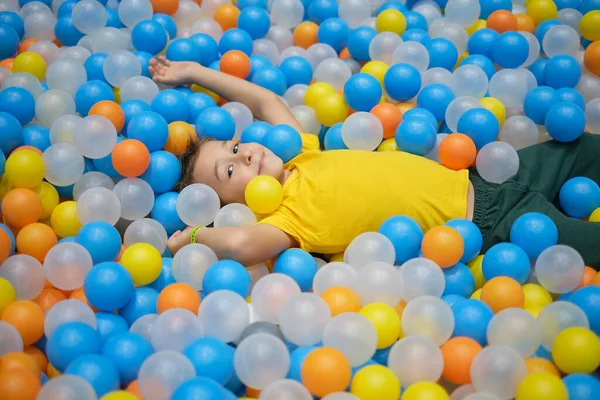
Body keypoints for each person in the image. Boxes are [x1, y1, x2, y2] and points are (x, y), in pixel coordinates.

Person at [149, 56, 600, 269]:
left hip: (488, 175)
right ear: (233, 206)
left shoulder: (301, 152)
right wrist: (190, 235)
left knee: (582, 146)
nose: (243, 154)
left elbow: (266, 100)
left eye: (233, 148)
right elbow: (240, 246)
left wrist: (194, 73)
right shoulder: (289, 222)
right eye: (230, 171)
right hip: (495, 223)